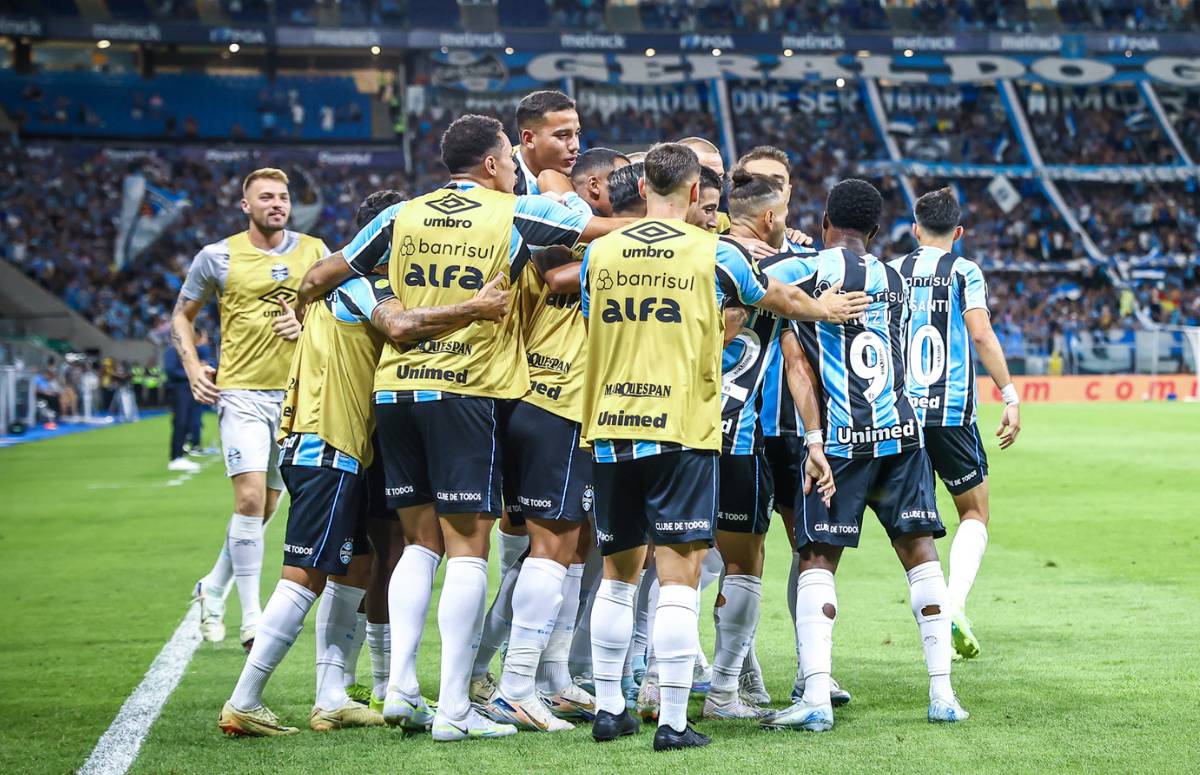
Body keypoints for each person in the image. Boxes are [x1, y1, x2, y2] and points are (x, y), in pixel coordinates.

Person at [298, 114, 632, 743]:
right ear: (491, 164)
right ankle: (454, 708)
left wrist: (368, 309)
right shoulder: (511, 213)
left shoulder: (400, 217)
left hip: (395, 392)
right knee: (467, 551)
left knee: (418, 544)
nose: (514, 171)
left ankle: (400, 688)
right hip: (465, 394)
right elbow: (610, 230)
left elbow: (319, 278)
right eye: (510, 161)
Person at [580, 144, 867, 752]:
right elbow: (773, 298)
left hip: (608, 422)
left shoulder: (599, 254)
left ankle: (610, 709)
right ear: (691, 195)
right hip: (681, 423)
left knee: (617, 576)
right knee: (680, 574)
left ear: (639, 190)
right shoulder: (710, 254)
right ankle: (675, 721)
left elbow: (593, 317)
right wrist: (826, 307)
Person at [218, 192, 512, 738]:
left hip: (343, 445)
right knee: (304, 576)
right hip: (325, 443)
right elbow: (400, 328)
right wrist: (473, 307)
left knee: (352, 566)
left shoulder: (333, 289)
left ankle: (332, 694)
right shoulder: (364, 286)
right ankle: (245, 698)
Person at [761, 179, 968, 733]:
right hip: (901, 434)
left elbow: (750, 291)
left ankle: (816, 697)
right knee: (920, 553)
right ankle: (943, 695)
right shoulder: (897, 279)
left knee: (817, 559)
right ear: (877, 232)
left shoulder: (803, 271)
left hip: (840, 443)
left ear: (826, 220)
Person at [479, 150, 630, 731]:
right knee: (551, 549)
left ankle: (549, 678)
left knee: (568, 550)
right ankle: (513, 685)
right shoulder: (575, 241)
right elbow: (555, 276)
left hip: (550, 405)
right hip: (558, 404)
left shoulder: (568, 238)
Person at [172, 167, 326, 649]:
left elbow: (334, 308)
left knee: (268, 506)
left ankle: (211, 587)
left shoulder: (314, 251)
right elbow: (182, 314)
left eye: (282, 197)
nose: (277, 204)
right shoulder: (217, 257)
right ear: (246, 206)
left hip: (296, 395)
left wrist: (307, 328)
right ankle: (252, 618)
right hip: (241, 392)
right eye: (265, 197)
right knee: (250, 500)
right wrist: (193, 366)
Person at [733, 145, 851, 706]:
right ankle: (739, 670)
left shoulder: (811, 258)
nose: (771, 191)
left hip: (797, 427)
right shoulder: (727, 253)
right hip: (745, 423)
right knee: (734, 556)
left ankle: (813, 671)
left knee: (810, 549)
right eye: (760, 182)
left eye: (778, 181)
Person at [888, 187, 1021, 659]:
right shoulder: (965, 271)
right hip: (951, 415)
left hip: (897, 416)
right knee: (974, 511)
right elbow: (981, 332)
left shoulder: (895, 271)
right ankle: (955, 604)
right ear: (959, 232)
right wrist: (1009, 394)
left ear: (915, 229)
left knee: (913, 528)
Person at [513, 89, 582, 196]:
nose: (575, 146)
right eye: (562, 135)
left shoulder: (585, 174)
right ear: (529, 139)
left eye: (577, 133)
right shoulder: (499, 180)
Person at [165, 339, 200, 473]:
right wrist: (192, 373)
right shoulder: (172, 351)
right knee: (180, 422)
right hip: (179, 390)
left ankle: (181, 454)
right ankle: (175, 456)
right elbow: (170, 370)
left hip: (187, 390)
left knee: (187, 423)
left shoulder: (187, 350)